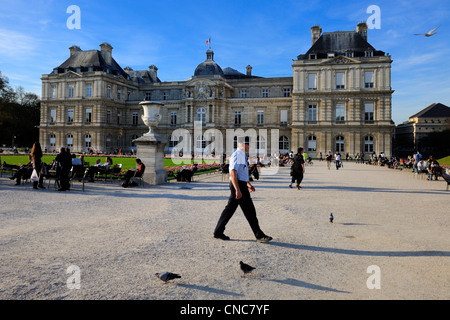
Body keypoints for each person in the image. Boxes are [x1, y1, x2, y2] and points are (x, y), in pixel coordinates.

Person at [213, 139, 272, 243]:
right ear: (243, 145)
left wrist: (248, 183)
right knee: (250, 211)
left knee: (230, 210)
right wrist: (237, 189)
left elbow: (241, 172)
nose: (250, 147)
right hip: (238, 185)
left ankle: (218, 232)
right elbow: (233, 172)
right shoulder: (237, 155)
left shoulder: (242, 155)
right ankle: (259, 235)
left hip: (241, 184)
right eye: (248, 145)